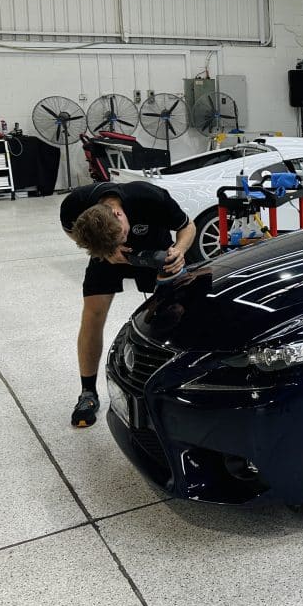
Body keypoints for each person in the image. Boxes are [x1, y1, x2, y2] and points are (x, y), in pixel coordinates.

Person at [61, 180, 195, 427]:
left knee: (172, 316)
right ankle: (87, 393)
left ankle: (170, 386)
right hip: (105, 255)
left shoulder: (149, 197)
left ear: (118, 214)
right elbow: (70, 231)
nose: (125, 239)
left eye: (123, 234)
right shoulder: (74, 204)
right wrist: (106, 251)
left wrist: (180, 250)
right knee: (92, 315)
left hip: (156, 254)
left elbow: (188, 226)